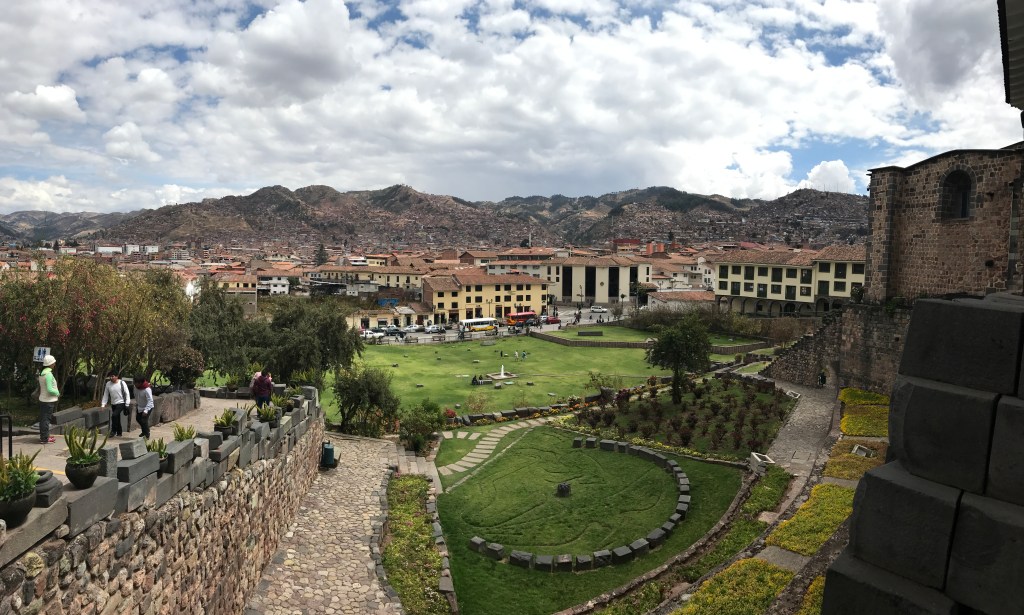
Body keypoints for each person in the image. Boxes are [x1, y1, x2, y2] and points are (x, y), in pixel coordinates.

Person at [100, 371, 130, 437]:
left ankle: (113, 431)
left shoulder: (122, 383)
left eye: (113, 376)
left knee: (114, 415)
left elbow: (127, 393)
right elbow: (106, 394)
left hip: (121, 402)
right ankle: (119, 433)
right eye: (110, 376)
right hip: (113, 403)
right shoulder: (108, 384)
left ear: (117, 376)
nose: (111, 377)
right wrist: (103, 404)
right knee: (117, 417)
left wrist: (127, 404)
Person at [37, 355, 59, 443]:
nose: (54, 364)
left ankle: (44, 436)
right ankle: (45, 438)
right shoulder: (48, 374)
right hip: (48, 400)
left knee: (43, 419)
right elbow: (50, 389)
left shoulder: (42, 373)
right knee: (46, 420)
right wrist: (57, 393)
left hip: (43, 399)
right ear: (51, 364)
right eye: (54, 362)